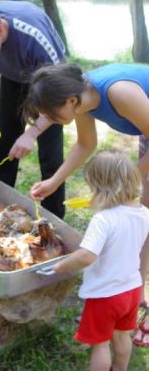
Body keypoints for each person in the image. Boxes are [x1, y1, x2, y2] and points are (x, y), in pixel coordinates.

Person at [24, 62, 149, 347]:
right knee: (143, 217)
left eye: (51, 114)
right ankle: (135, 292)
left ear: (69, 101)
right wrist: (54, 181)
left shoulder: (118, 92)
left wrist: (127, 180)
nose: (50, 120)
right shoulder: (83, 97)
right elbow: (85, 143)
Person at [0, 0, 66, 219]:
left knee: (50, 157)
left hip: (49, 81)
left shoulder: (35, 41)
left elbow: (60, 99)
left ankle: (53, 219)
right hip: (13, 76)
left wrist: (32, 132)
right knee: (2, 148)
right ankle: (0, 207)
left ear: (0, 29)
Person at [52, 150, 149, 371]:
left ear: (102, 188)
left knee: (100, 345)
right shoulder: (144, 212)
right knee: (122, 335)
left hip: (106, 294)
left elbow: (86, 255)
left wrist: (61, 266)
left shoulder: (103, 219)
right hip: (132, 289)